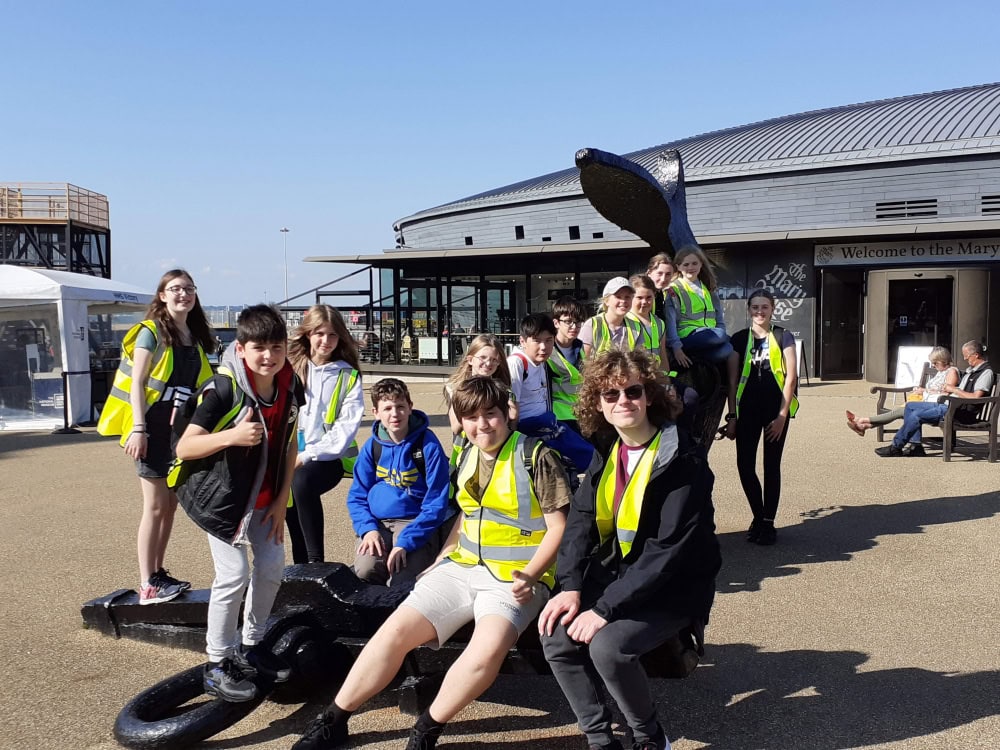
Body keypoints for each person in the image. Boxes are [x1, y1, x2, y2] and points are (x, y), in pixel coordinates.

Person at [292, 376, 570, 750]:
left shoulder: (535, 456)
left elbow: (558, 527)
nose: (481, 425)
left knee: (485, 651)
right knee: (393, 633)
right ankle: (335, 718)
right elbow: (466, 516)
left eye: (490, 415)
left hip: (513, 578)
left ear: (507, 414)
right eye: (471, 417)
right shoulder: (468, 453)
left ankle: (426, 729)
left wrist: (532, 575)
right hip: (461, 567)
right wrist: (440, 560)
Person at [539, 350, 720, 750]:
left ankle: (650, 737)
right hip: (622, 577)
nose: (623, 401)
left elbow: (667, 550)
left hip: (673, 588)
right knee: (555, 633)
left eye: (633, 391)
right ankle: (600, 738)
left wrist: (603, 610)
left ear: (650, 395)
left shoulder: (683, 461)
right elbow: (579, 526)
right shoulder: (607, 451)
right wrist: (569, 586)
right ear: (597, 404)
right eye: (610, 394)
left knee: (609, 647)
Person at [173, 304, 304, 702]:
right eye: (260, 347)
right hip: (223, 501)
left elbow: (290, 443)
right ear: (242, 348)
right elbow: (185, 445)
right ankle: (216, 663)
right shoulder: (223, 388)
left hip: (265, 497)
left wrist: (282, 500)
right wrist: (230, 436)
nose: (269, 355)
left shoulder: (289, 384)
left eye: (277, 346)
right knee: (232, 575)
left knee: (270, 567)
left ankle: (252, 645)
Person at [97, 269, 216, 604]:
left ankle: (158, 572)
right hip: (152, 427)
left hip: (178, 432)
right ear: (162, 295)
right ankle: (147, 581)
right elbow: (137, 382)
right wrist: (138, 428)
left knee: (171, 505)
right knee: (154, 506)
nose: (184, 295)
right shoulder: (151, 332)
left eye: (189, 289)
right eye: (175, 289)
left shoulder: (194, 337)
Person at [347, 377, 453, 587]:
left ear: (410, 407)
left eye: (400, 406)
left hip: (415, 522)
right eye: (387, 408)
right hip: (378, 523)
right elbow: (357, 496)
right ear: (376, 413)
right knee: (365, 571)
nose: (395, 414)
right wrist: (368, 529)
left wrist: (406, 542)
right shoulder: (372, 447)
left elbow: (436, 504)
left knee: (403, 578)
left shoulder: (428, 446)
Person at [286, 305, 364, 563]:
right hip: (288, 454)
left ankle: (316, 561)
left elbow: (346, 427)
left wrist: (308, 455)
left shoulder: (347, 375)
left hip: (329, 459)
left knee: (301, 482)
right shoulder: (289, 368)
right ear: (308, 334)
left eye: (332, 335)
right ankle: (300, 567)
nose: (326, 341)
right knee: (289, 503)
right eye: (319, 333)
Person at [722, 290, 798, 545]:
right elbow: (732, 382)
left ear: (772, 309)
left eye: (764, 306)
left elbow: (791, 378)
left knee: (771, 465)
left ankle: (768, 523)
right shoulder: (739, 339)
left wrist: (781, 416)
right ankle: (758, 515)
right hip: (746, 412)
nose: (760, 311)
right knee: (745, 465)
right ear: (748, 309)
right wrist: (732, 416)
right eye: (755, 307)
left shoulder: (782, 335)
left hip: (774, 412)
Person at [508, 313, 595, 477]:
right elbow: (513, 406)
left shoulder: (540, 361)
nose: (543, 347)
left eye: (548, 341)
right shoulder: (517, 363)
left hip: (548, 421)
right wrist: (512, 443)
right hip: (531, 428)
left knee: (589, 454)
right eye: (537, 341)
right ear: (522, 341)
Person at [875, 340, 994, 458]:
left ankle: (896, 447)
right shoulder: (971, 371)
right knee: (910, 406)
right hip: (951, 404)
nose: (965, 359)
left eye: (967, 356)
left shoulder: (985, 373)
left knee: (916, 414)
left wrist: (953, 389)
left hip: (959, 411)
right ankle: (915, 447)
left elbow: (976, 397)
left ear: (976, 355)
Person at [846, 347, 960, 436]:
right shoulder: (941, 371)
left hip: (935, 405)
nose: (934, 366)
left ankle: (862, 421)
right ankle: (863, 425)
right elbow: (937, 389)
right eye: (932, 363)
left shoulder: (951, 372)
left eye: (936, 363)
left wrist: (924, 392)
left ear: (944, 360)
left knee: (899, 411)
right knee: (901, 411)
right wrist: (921, 390)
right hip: (925, 401)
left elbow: (946, 394)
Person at [664, 246, 736, 372]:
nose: (690, 267)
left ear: (701, 264)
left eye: (694, 263)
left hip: (711, 335)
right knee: (721, 336)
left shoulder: (709, 288)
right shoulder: (674, 289)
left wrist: (721, 334)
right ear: (678, 267)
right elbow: (670, 322)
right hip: (689, 336)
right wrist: (676, 347)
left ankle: (695, 358)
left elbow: (719, 318)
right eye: (686, 264)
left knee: (727, 349)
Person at [443, 333, 516, 436]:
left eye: (494, 359)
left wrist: (513, 418)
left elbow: (511, 428)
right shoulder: (456, 388)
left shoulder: (503, 390)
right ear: (470, 359)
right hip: (466, 446)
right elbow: (455, 428)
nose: (488, 363)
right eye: (483, 357)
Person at [579, 277, 646, 358]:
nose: (623, 301)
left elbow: (640, 360)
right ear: (606, 301)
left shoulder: (637, 327)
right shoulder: (592, 325)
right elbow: (583, 361)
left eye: (627, 297)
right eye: (618, 296)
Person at [550, 295, 588, 434]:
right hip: (559, 419)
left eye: (578, 322)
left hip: (581, 416)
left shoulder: (580, 347)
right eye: (568, 321)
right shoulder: (547, 350)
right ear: (556, 323)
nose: (574, 327)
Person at [626, 275, 670, 370]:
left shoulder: (659, 323)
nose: (644, 302)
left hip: (656, 375)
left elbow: (662, 354)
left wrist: (666, 378)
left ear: (654, 295)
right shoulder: (624, 322)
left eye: (648, 297)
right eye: (639, 298)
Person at [646, 252, 675, 324]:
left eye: (668, 274)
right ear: (649, 273)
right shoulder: (640, 292)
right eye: (659, 273)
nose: (663, 279)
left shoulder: (660, 293)